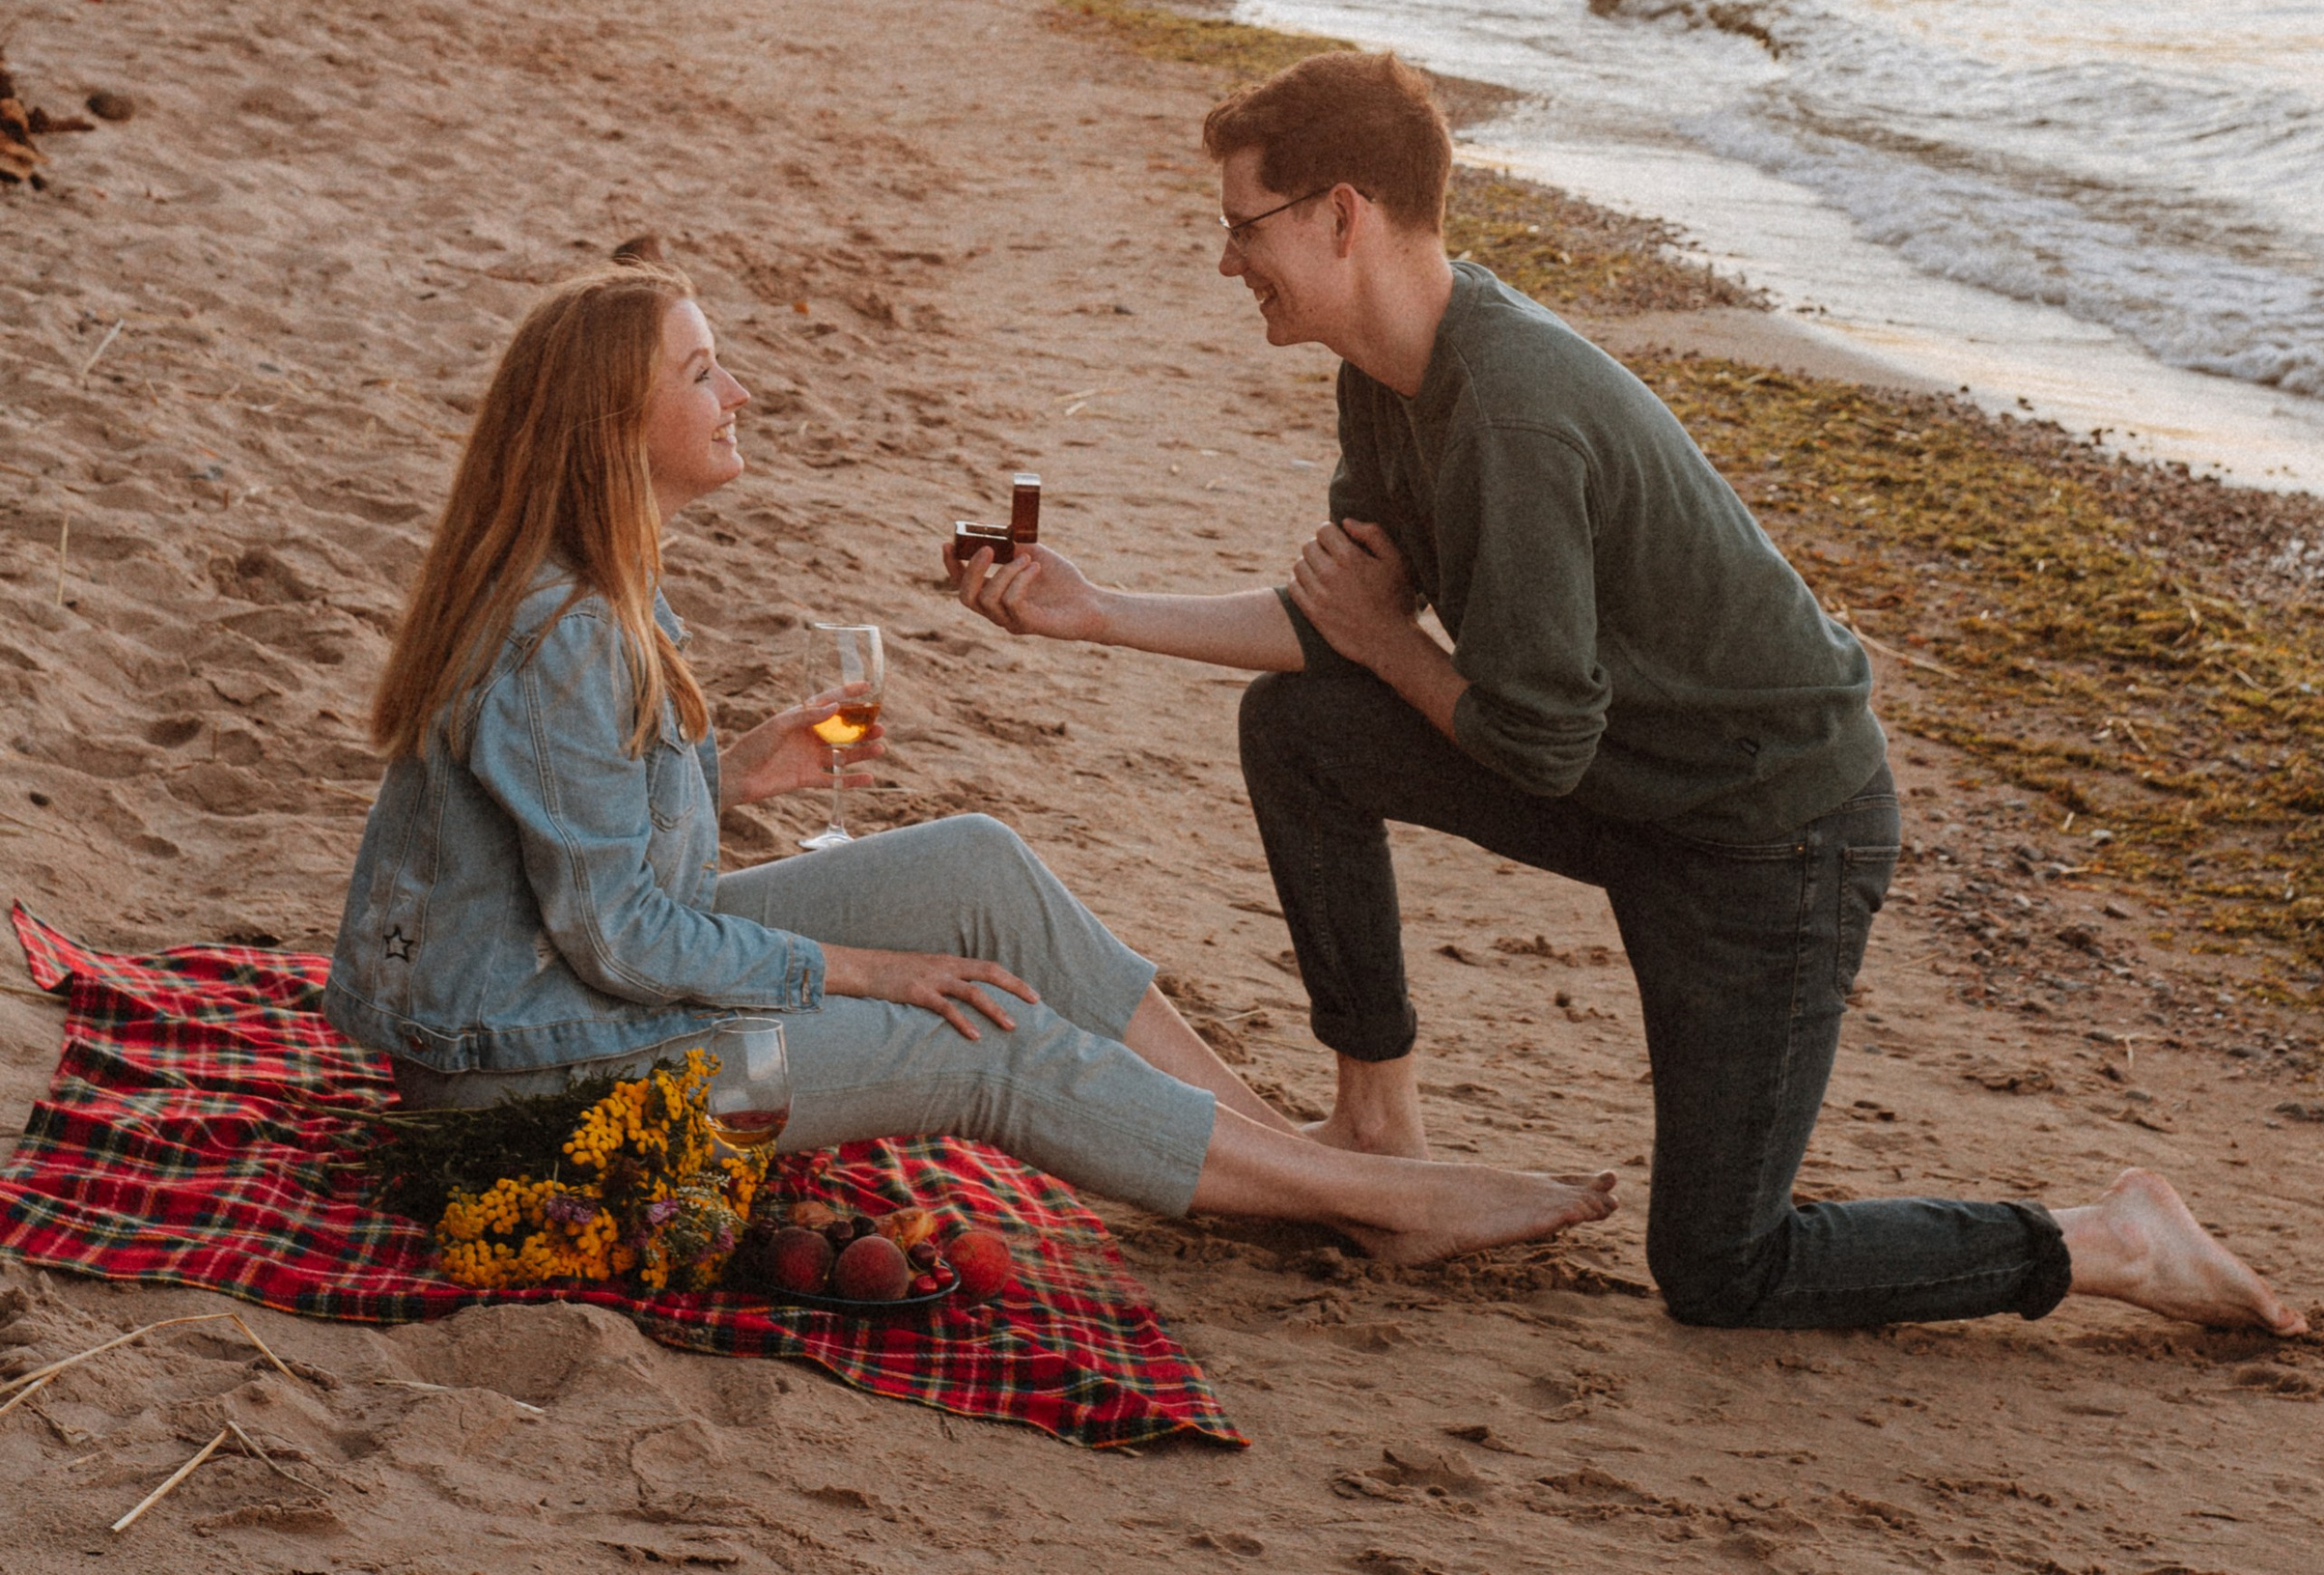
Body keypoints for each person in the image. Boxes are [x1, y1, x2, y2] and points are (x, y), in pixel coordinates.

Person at [950, 51, 2309, 1338]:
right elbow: (1344, 626)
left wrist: (1376, 642)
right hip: (1624, 783)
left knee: (1723, 1269)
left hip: (1771, 839)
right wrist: (1094, 613)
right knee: (1304, 731)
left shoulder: (1516, 410)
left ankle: (2110, 1241)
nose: (1226, 256)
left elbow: (1518, 733)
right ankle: (1378, 1140)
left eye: (1245, 224)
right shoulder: (1390, 375)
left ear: (1343, 215)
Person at [326, 260, 1614, 1269]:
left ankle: (1287, 1165)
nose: (741, 396)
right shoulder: (564, 631)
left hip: (567, 995)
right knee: (976, 1035)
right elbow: (617, 933)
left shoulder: (593, 582)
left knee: (974, 870)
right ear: (617, 420)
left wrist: (729, 776)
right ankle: (1373, 1202)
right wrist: (870, 973)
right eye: (705, 373)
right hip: (531, 1079)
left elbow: (564, 835)